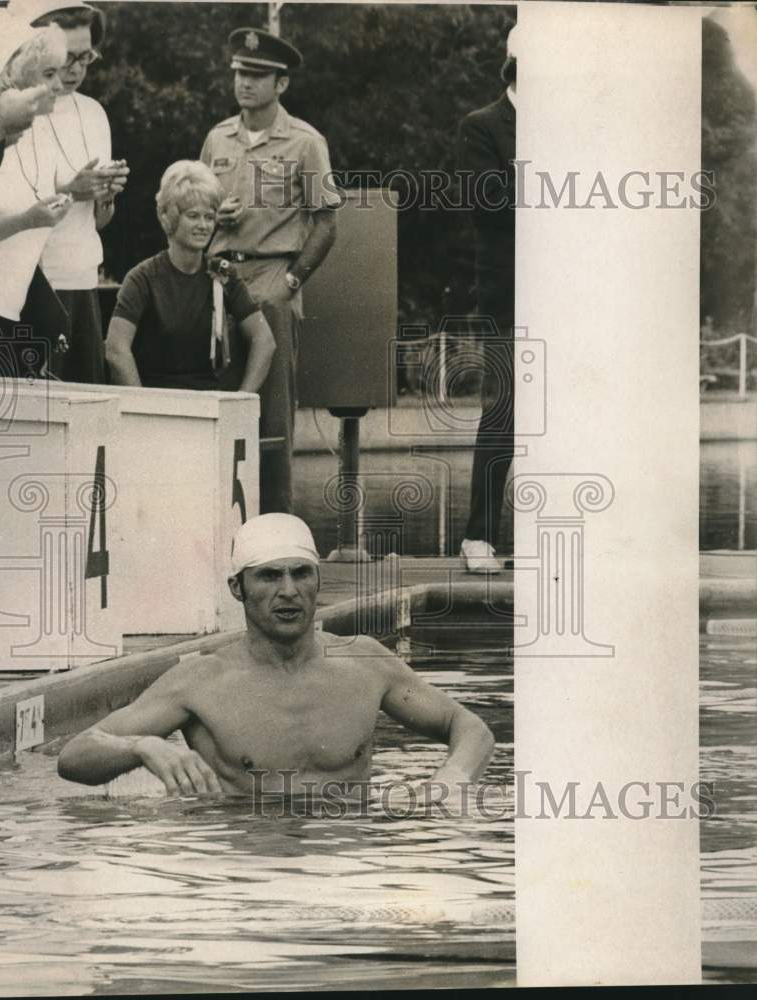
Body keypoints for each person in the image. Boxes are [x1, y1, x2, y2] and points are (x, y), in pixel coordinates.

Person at [58, 514, 495, 801]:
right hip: (247, 864)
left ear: (317, 581)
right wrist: (143, 745)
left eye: (301, 573)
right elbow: (74, 757)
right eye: (269, 576)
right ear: (237, 588)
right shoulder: (200, 680)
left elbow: (469, 727)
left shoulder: (365, 662)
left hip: (352, 856)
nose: (288, 591)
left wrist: (450, 782)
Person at [200, 27, 342, 514]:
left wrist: (291, 283)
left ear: (281, 84)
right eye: (241, 72)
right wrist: (213, 216)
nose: (246, 83)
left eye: (258, 75)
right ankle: (218, 527)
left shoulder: (305, 143)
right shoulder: (217, 137)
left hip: (271, 281)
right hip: (218, 284)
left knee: (273, 419)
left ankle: (278, 532)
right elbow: (195, 206)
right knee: (216, 405)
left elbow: (326, 224)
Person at [9, 0, 130, 385]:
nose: (76, 69)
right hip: (36, 281)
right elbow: (8, 200)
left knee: (87, 403)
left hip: (84, 278)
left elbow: (99, 221)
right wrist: (71, 190)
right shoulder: (19, 109)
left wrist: (105, 194)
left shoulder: (94, 113)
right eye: (69, 58)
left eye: (87, 57)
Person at [105, 160, 275, 392]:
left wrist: (241, 401)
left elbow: (264, 341)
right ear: (169, 218)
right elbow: (116, 348)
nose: (204, 225)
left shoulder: (223, 273)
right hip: (156, 402)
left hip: (208, 403)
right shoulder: (142, 277)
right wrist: (141, 404)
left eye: (209, 216)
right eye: (193, 216)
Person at [457, 25, 518, 574]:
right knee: (503, 407)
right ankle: (479, 536)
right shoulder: (481, 127)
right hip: (510, 292)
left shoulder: (569, 128)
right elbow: (491, 203)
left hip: (567, 289)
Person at [0, 16, 73, 379]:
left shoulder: (37, 135)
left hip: (13, 315)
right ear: (18, 77)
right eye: (48, 74)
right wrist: (29, 219)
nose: (59, 85)